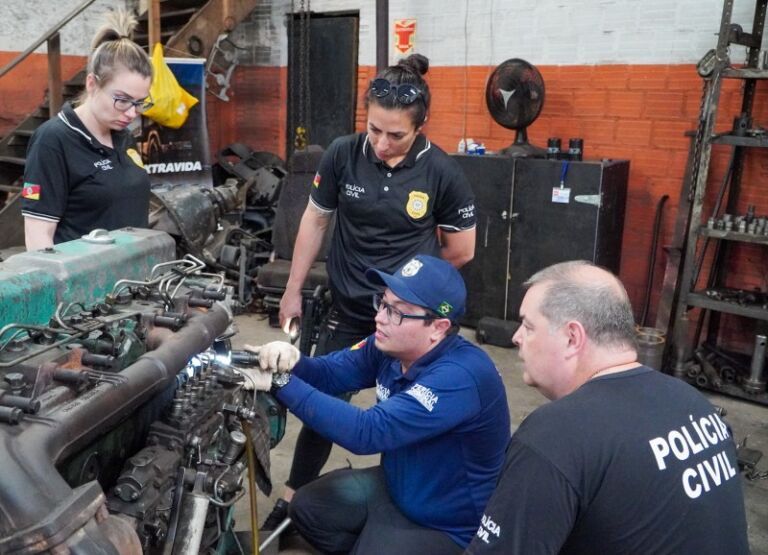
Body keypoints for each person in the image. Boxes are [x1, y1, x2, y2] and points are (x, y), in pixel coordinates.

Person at [266, 53, 477, 528]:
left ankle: (406, 500)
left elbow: (461, 250)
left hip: (410, 320)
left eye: (395, 134)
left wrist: (409, 291)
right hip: (349, 307)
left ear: (421, 127)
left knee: (403, 412)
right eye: (373, 129)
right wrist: (293, 289)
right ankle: (291, 496)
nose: (381, 143)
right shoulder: (343, 153)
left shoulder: (441, 173)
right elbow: (316, 219)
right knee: (323, 404)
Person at [465, 261, 750, 555]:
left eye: (528, 326)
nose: (516, 337)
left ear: (572, 337)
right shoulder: (693, 403)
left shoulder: (556, 437)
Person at [245, 254, 509, 554]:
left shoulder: (461, 377)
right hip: (398, 487)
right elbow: (331, 373)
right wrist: (291, 363)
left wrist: (281, 383)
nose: (380, 318)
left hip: (448, 524)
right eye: (383, 303)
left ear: (438, 327)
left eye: (397, 312)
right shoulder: (387, 345)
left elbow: (367, 432)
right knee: (306, 508)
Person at [21, 10, 153, 250]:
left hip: (135, 280)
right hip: (85, 282)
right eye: (122, 100)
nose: (132, 113)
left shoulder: (122, 136)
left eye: (140, 103)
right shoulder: (53, 141)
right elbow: (38, 240)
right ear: (92, 84)